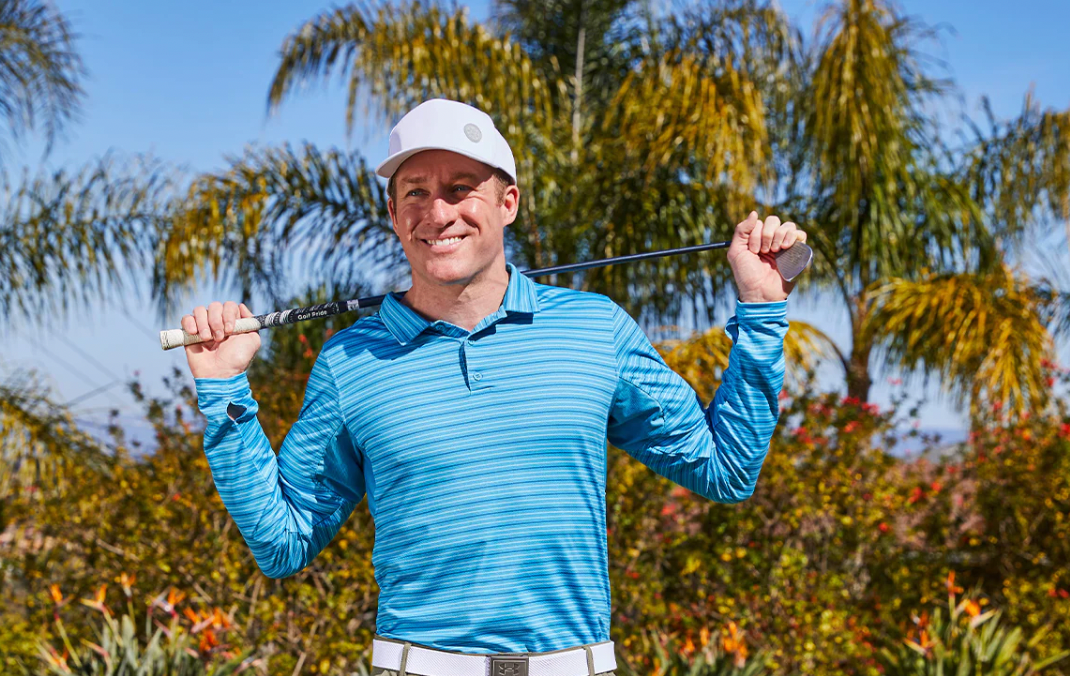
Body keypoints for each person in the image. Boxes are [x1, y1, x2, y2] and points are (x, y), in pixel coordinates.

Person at [183, 98, 807, 676]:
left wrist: (760, 310)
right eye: (415, 193)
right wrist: (224, 391)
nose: (437, 212)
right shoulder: (350, 361)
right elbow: (283, 542)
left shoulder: (595, 329)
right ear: (395, 214)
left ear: (507, 203)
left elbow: (727, 470)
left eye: (461, 189)